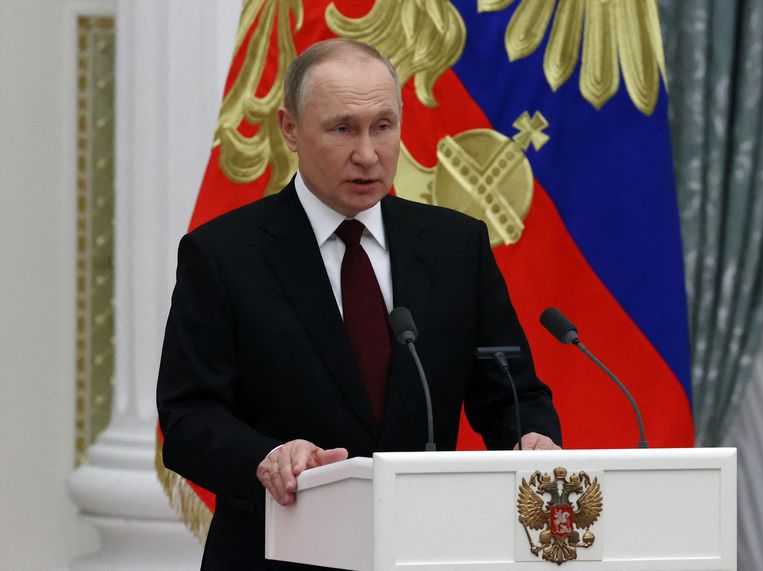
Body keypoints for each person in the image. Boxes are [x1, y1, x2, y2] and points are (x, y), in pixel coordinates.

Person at [157, 38, 561, 570]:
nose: (368, 153)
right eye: (343, 128)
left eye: (384, 126)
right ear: (290, 129)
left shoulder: (456, 246)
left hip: (427, 551)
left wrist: (531, 439)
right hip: (278, 552)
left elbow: (511, 391)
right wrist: (265, 458)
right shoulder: (223, 254)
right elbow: (188, 418)